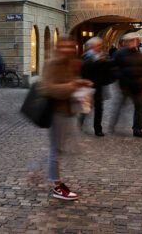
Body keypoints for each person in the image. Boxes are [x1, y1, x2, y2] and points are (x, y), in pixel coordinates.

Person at [30, 35, 92, 200]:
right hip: (57, 112)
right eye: (64, 46)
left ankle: (36, 169)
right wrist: (72, 86)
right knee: (57, 149)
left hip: (69, 111)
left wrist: (81, 83)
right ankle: (57, 186)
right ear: (58, 47)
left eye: (70, 47)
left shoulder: (70, 62)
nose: (67, 49)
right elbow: (46, 88)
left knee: (62, 147)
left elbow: (70, 81)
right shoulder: (52, 64)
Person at [110, 32, 142, 138]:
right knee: (120, 105)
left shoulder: (140, 55)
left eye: (136, 40)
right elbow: (113, 68)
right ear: (127, 42)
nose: (135, 42)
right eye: (132, 40)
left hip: (138, 86)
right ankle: (113, 124)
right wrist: (120, 77)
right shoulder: (119, 54)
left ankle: (137, 129)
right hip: (125, 86)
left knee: (139, 107)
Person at [81, 37, 113, 136]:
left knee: (99, 108)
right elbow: (84, 71)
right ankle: (80, 123)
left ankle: (98, 129)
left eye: (100, 45)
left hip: (99, 86)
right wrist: (99, 62)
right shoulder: (86, 57)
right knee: (86, 107)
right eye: (98, 45)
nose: (100, 47)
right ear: (92, 46)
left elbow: (108, 68)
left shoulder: (103, 56)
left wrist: (106, 62)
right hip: (88, 86)